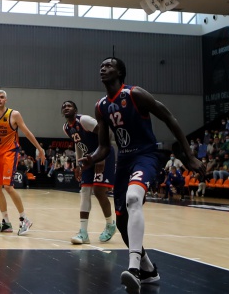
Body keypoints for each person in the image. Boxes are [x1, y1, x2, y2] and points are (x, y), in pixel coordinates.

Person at [79, 57, 204, 290]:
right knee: (121, 221)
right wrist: (91, 158)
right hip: (124, 161)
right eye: (101, 65)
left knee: (133, 198)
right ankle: (148, 269)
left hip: (146, 155)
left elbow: (169, 117)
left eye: (108, 65)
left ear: (120, 72)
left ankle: (134, 268)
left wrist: (189, 155)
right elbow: (105, 146)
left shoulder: (135, 94)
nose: (103, 68)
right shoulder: (101, 106)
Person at [0, 90, 46, 235]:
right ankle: (6, 222)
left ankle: (24, 218)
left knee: (8, 187)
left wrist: (40, 149)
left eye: (2, 97)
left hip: (10, 154)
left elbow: (27, 132)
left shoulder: (14, 114)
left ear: (6, 100)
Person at [61, 100, 116, 245]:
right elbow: (78, 144)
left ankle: (110, 224)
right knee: (84, 192)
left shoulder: (84, 120)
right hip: (88, 158)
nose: (66, 108)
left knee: (98, 191)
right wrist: (79, 164)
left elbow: (107, 134)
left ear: (75, 109)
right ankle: (83, 233)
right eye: (64, 107)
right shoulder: (66, 127)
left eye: (69, 106)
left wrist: (101, 158)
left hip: (104, 154)